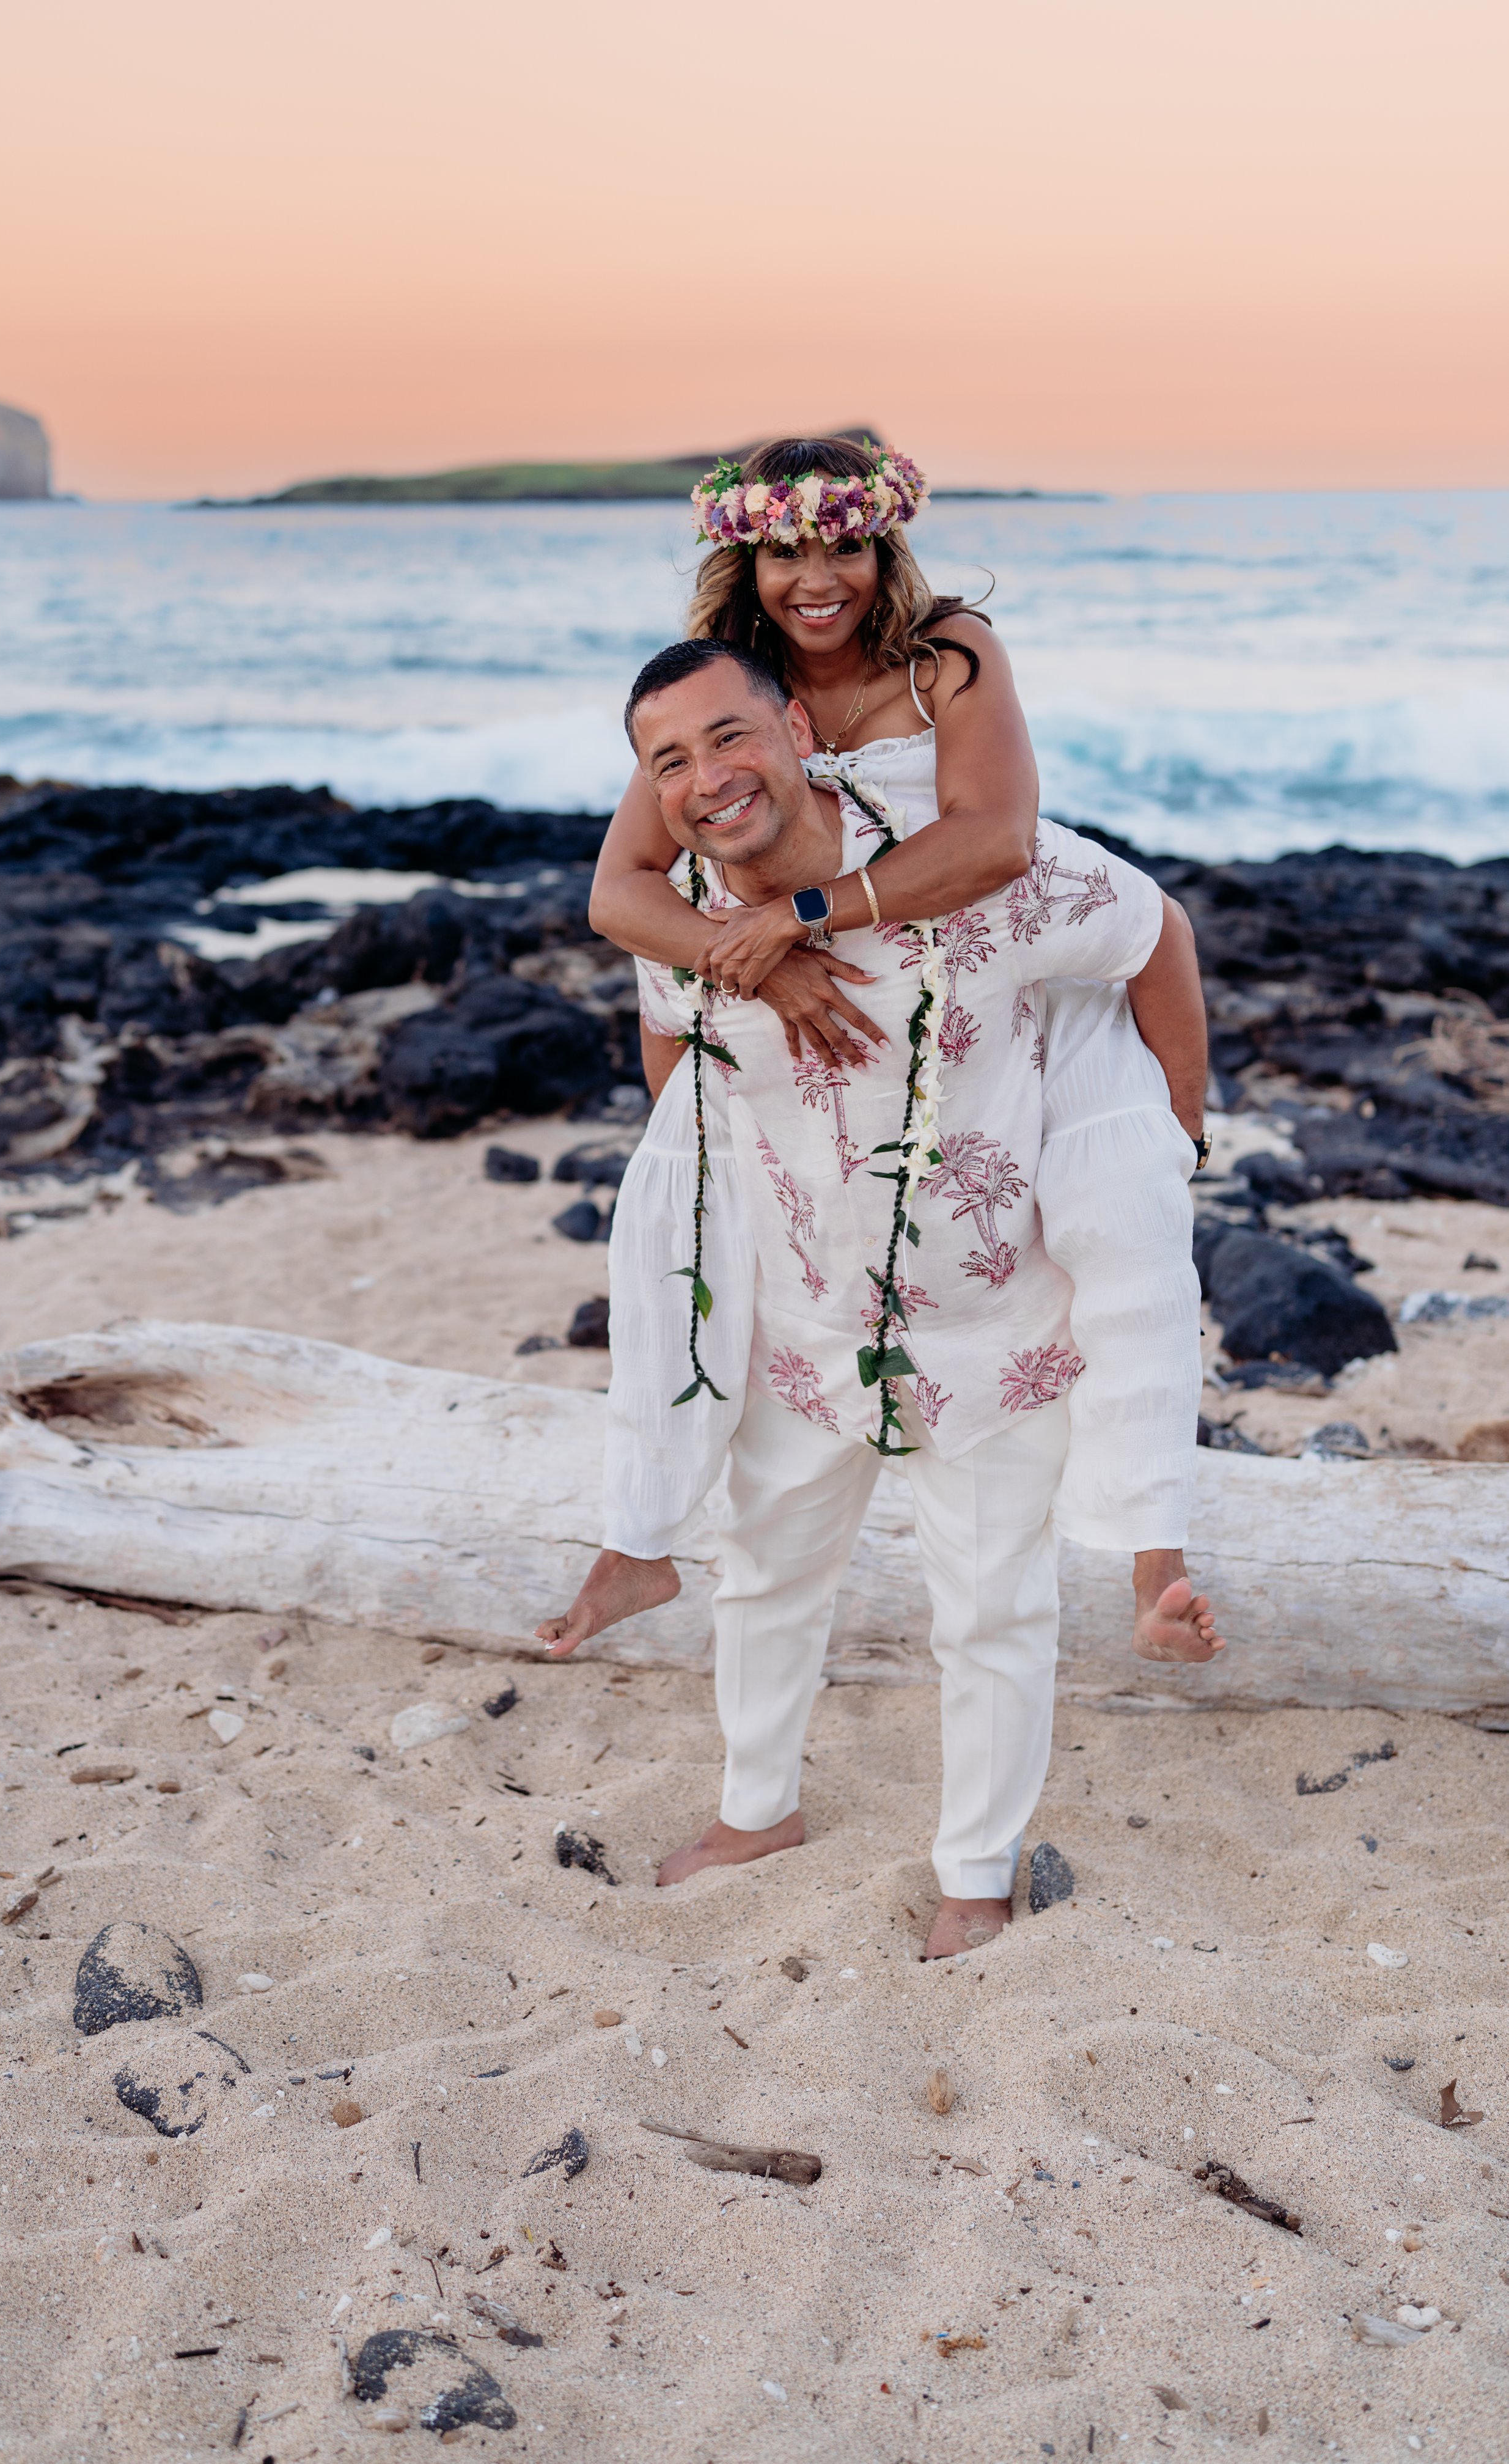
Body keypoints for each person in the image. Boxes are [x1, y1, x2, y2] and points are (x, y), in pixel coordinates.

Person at [547, 637, 1214, 1960]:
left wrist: (1173, 1138)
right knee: (762, 1579)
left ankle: (974, 1873)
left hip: (993, 1336)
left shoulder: (972, 879)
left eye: (729, 736)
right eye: (668, 762)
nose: (705, 779)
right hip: (804, 1330)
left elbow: (1158, 935)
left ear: (799, 730)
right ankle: (756, 1813)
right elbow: (671, 1057)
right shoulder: (681, 915)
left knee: (991, 1618)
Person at [540, 440, 1219, 1683]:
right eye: (786, 551)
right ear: (745, 557)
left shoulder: (945, 651)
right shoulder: (726, 690)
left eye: (843, 546)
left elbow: (997, 839)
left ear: (882, 544)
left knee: (1126, 1217)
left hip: (1011, 968)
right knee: (676, 1215)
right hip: (824, 987)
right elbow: (618, 895)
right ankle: (638, 1536)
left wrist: (1181, 1121)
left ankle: (1150, 1559)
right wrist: (757, 963)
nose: (817, 578)